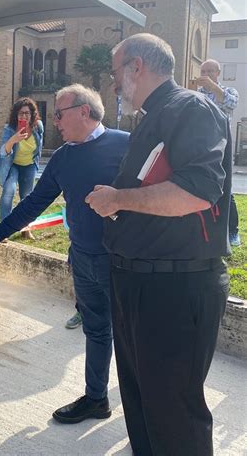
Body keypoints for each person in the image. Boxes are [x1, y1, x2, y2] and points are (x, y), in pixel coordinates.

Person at [87, 34, 230, 456]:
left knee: (173, 415)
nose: (114, 85)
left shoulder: (190, 107)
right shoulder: (154, 116)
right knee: (142, 404)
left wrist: (117, 199)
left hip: (175, 289)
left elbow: (199, 191)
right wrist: (119, 206)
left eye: (116, 73)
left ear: (136, 67)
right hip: (139, 283)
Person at [0, 84, 129, 424]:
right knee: (97, 331)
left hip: (123, 262)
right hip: (82, 259)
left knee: (135, 337)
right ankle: (97, 399)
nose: (54, 122)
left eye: (59, 114)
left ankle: (146, 410)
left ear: (84, 112)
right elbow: (34, 204)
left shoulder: (126, 145)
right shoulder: (63, 157)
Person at [196, 59, 241, 246]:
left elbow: (230, 104)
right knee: (201, 186)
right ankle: (206, 228)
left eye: (210, 71)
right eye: (203, 71)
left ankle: (233, 231)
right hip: (200, 146)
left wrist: (213, 87)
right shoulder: (195, 95)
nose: (205, 74)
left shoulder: (229, 91)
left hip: (222, 145)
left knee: (226, 190)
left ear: (218, 73)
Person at [0, 97, 44, 239]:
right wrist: (14, 139)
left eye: (27, 113)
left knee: (27, 197)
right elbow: (2, 152)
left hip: (29, 165)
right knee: (8, 192)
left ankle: (26, 229)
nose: (24, 116)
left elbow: (39, 145)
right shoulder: (9, 129)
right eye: (21, 113)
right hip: (13, 165)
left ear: (32, 115)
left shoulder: (38, 126)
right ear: (16, 115)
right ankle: (3, 231)